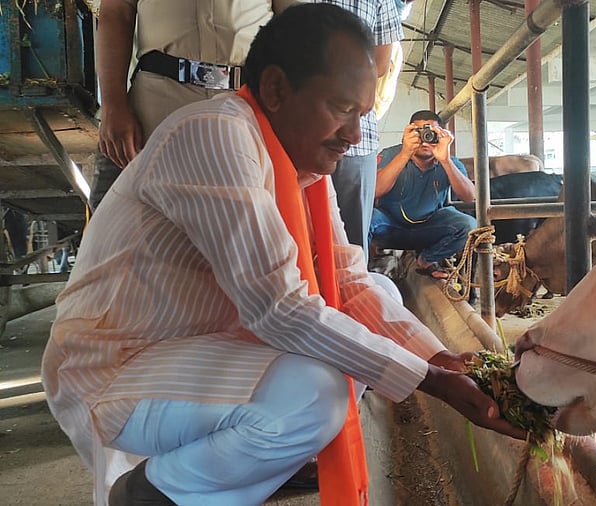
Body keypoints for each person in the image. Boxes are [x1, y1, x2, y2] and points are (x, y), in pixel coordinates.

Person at [41, 6, 525, 506]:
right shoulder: (215, 135)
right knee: (315, 395)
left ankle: (256, 463)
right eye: (341, 108)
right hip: (119, 365)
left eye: (361, 114)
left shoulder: (302, 169)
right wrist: (433, 381)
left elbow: (348, 280)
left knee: (378, 291)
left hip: (200, 346)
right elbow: (279, 309)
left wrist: (440, 358)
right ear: (275, 89)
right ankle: (154, 493)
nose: (354, 134)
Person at [91, 0, 301, 209]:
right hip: (152, 114)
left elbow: (298, 24)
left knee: (242, 219)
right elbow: (117, 12)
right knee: (117, 217)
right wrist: (112, 105)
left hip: (244, 114)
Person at [314, 0, 404, 256]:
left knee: (352, 240)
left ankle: (350, 283)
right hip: (305, 130)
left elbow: (381, 63)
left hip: (355, 139)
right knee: (299, 228)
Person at [370, 111, 477, 279]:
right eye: (418, 132)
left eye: (431, 133)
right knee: (366, 218)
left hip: (430, 226)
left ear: (441, 134)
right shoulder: (390, 155)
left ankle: (427, 260)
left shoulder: (449, 160)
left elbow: (469, 197)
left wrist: (445, 160)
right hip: (389, 226)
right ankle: (362, 267)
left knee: (468, 225)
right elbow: (375, 190)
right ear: (407, 133)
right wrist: (405, 154)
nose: (425, 139)